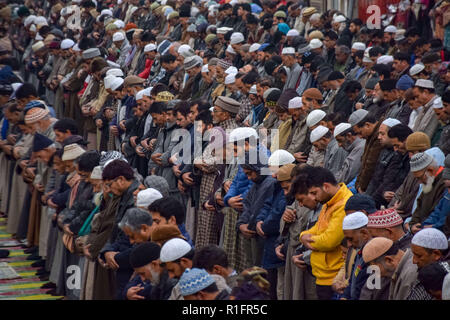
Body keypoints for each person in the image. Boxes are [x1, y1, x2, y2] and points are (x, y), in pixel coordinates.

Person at [299, 166, 353, 300]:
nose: (313, 198)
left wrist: (308, 240)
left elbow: (329, 241)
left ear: (326, 186)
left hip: (333, 277)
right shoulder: (329, 202)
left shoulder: (343, 205)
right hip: (323, 274)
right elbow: (316, 229)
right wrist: (302, 236)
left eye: (314, 192)